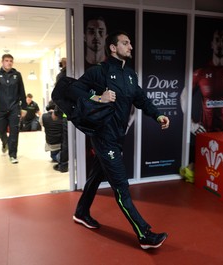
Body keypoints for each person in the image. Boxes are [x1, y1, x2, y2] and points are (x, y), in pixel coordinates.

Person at [70, 31, 170, 249]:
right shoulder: (99, 71)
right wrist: (97, 97)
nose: (130, 47)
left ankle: (81, 212)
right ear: (113, 48)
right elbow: (74, 89)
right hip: (103, 137)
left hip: (117, 137)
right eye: (126, 43)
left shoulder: (131, 75)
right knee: (121, 187)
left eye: (130, 43)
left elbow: (141, 99)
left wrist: (157, 114)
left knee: (96, 177)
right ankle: (144, 235)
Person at [180, 29, 223, 172]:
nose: (220, 44)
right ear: (212, 44)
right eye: (217, 40)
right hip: (205, 133)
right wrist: (191, 125)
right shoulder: (201, 72)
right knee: (204, 172)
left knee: (220, 174)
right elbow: (184, 96)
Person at [0, 54, 27, 164]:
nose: (9, 63)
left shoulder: (17, 75)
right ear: (2, 62)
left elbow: (22, 92)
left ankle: (13, 155)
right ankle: (5, 141)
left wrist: (24, 108)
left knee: (14, 132)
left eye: (11, 61)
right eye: (6, 61)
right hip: (0, 108)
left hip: (14, 108)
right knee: (0, 129)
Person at [53, 58, 69, 173]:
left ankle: (63, 165)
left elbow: (59, 96)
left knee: (66, 141)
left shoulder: (61, 76)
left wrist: (56, 111)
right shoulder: (78, 72)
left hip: (66, 113)